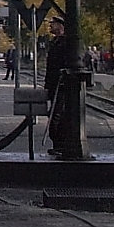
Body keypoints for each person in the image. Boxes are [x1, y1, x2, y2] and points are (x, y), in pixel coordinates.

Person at [45, 15, 68, 156]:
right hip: (54, 84)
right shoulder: (55, 42)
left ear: (60, 26)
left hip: (61, 85)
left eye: (53, 24)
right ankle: (57, 144)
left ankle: (60, 144)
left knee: (57, 115)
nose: (50, 26)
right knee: (54, 114)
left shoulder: (65, 43)